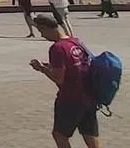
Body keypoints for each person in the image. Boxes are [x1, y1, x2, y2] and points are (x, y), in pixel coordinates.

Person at [30, 14, 103, 148]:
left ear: (47, 28)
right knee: (89, 133)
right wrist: (49, 66)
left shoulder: (57, 48)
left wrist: (41, 68)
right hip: (88, 95)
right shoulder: (76, 42)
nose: (42, 35)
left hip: (70, 98)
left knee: (60, 135)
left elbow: (59, 78)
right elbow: (76, 65)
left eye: (41, 31)